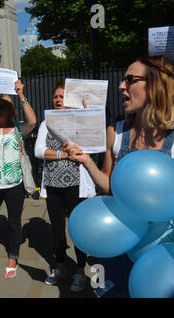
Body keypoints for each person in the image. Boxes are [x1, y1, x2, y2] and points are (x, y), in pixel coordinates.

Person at [67, 56, 174, 297]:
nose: (121, 86)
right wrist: (86, 162)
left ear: (158, 84)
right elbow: (112, 190)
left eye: (130, 79)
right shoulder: (116, 131)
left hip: (162, 256)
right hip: (114, 247)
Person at [34, 83, 96, 292]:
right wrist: (64, 154)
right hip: (53, 185)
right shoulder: (45, 124)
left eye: (61, 97)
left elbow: (90, 146)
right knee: (57, 229)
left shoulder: (79, 122)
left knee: (77, 229)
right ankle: (60, 267)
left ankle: (80, 272)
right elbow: (39, 150)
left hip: (76, 186)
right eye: (55, 97)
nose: (57, 100)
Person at [0, 80, 37, 279]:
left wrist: (21, 95)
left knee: (13, 223)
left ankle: (13, 256)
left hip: (14, 186)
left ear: (10, 110)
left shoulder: (19, 130)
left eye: (1, 106)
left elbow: (33, 121)